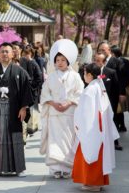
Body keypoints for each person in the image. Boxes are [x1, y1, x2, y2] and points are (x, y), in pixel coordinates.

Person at [0, 42, 33, 177]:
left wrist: (24, 108)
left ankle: (19, 168)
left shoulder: (20, 71)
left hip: (14, 109)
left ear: (13, 54)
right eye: (2, 51)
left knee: (15, 137)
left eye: (7, 51)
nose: (4, 54)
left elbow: (27, 91)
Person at [40, 39, 84, 179]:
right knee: (54, 140)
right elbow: (45, 93)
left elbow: (80, 92)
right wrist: (52, 103)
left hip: (69, 112)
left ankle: (67, 168)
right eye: (57, 60)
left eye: (63, 60)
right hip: (54, 113)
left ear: (68, 61)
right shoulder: (51, 76)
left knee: (68, 140)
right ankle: (55, 169)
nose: (60, 62)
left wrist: (69, 102)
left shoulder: (76, 76)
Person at [72, 63, 119, 192]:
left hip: (91, 127)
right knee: (98, 154)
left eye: (85, 73)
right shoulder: (99, 85)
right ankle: (98, 181)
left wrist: (81, 127)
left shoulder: (90, 89)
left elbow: (86, 113)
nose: (83, 75)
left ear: (89, 75)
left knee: (90, 154)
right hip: (99, 126)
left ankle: (94, 183)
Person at [97, 42, 124, 151]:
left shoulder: (116, 62)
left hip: (112, 96)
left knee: (113, 118)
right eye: (100, 49)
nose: (102, 51)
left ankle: (115, 141)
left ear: (109, 50)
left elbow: (120, 80)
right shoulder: (95, 64)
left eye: (104, 49)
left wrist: (122, 93)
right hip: (100, 96)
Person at [20, 48, 43, 142]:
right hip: (25, 90)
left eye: (28, 54)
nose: (26, 56)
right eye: (24, 54)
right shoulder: (23, 63)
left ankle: (31, 129)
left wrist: (32, 86)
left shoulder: (33, 63)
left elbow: (39, 76)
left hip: (32, 91)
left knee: (33, 110)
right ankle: (27, 129)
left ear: (31, 54)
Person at [110, 45, 129, 132]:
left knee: (120, 107)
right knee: (118, 107)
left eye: (111, 52)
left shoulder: (125, 61)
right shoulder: (111, 61)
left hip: (123, 87)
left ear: (114, 53)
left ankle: (120, 126)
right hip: (114, 87)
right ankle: (122, 126)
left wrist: (124, 84)